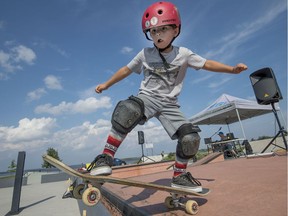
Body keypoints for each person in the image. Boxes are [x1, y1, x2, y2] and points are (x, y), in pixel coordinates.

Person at [89, 2, 247, 193]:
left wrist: (231, 70)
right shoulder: (145, 54)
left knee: (190, 137)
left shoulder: (184, 54)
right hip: (147, 98)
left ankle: (179, 176)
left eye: (163, 29)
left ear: (176, 29)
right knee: (128, 110)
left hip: (170, 105)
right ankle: (106, 158)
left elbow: (207, 64)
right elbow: (126, 70)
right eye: (153, 31)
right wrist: (107, 84)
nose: (158, 35)